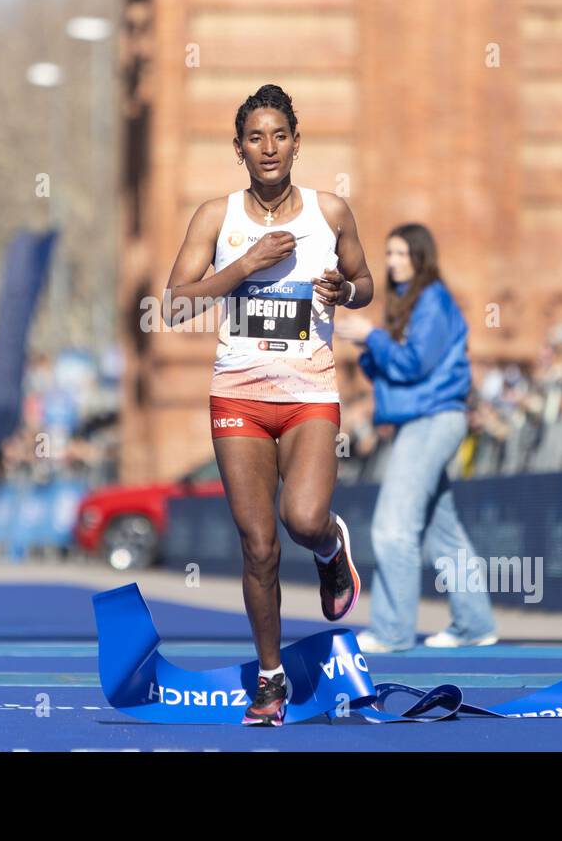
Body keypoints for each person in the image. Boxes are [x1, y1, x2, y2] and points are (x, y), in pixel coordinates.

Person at [162, 84, 375, 726]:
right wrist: (247, 263)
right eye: (255, 137)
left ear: (296, 143)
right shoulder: (214, 217)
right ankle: (271, 680)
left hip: (308, 391)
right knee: (259, 546)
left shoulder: (329, 212)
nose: (269, 147)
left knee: (303, 519)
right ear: (239, 150)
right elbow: (175, 302)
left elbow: (365, 285)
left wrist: (346, 289)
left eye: (279, 135)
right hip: (239, 395)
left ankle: (332, 551)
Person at [336, 224, 497, 652]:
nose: (392, 262)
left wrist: (371, 337)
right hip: (420, 420)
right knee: (442, 532)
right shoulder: (407, 305)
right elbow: (388, 370)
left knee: (393, 528)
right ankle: (475, 623)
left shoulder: (433, 301)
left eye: (402, 254)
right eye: (389, 254)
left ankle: (392, 631)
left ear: (421, 258)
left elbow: (413, 365)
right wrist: (369, 347)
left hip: (434, 419)